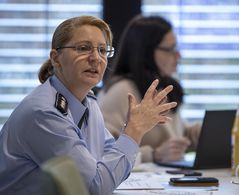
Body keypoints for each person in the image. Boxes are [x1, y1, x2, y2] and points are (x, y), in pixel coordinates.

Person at [0, 16, 177, 195]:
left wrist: (131, 132)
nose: (96, 58)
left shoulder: (88, 102)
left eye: (102, 50)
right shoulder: (44, 113)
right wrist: (134, 130)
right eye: (83, 48)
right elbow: (93, 188)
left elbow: (109, 159)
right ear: (56, 58)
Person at [98, 15, 201, 163]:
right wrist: (154, 155)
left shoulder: (160, 86)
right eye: (170, 49)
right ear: (146, 51)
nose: (178, 55)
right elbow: (105, 152)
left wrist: (214, 130)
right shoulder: (121, 91)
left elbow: (178, 133)